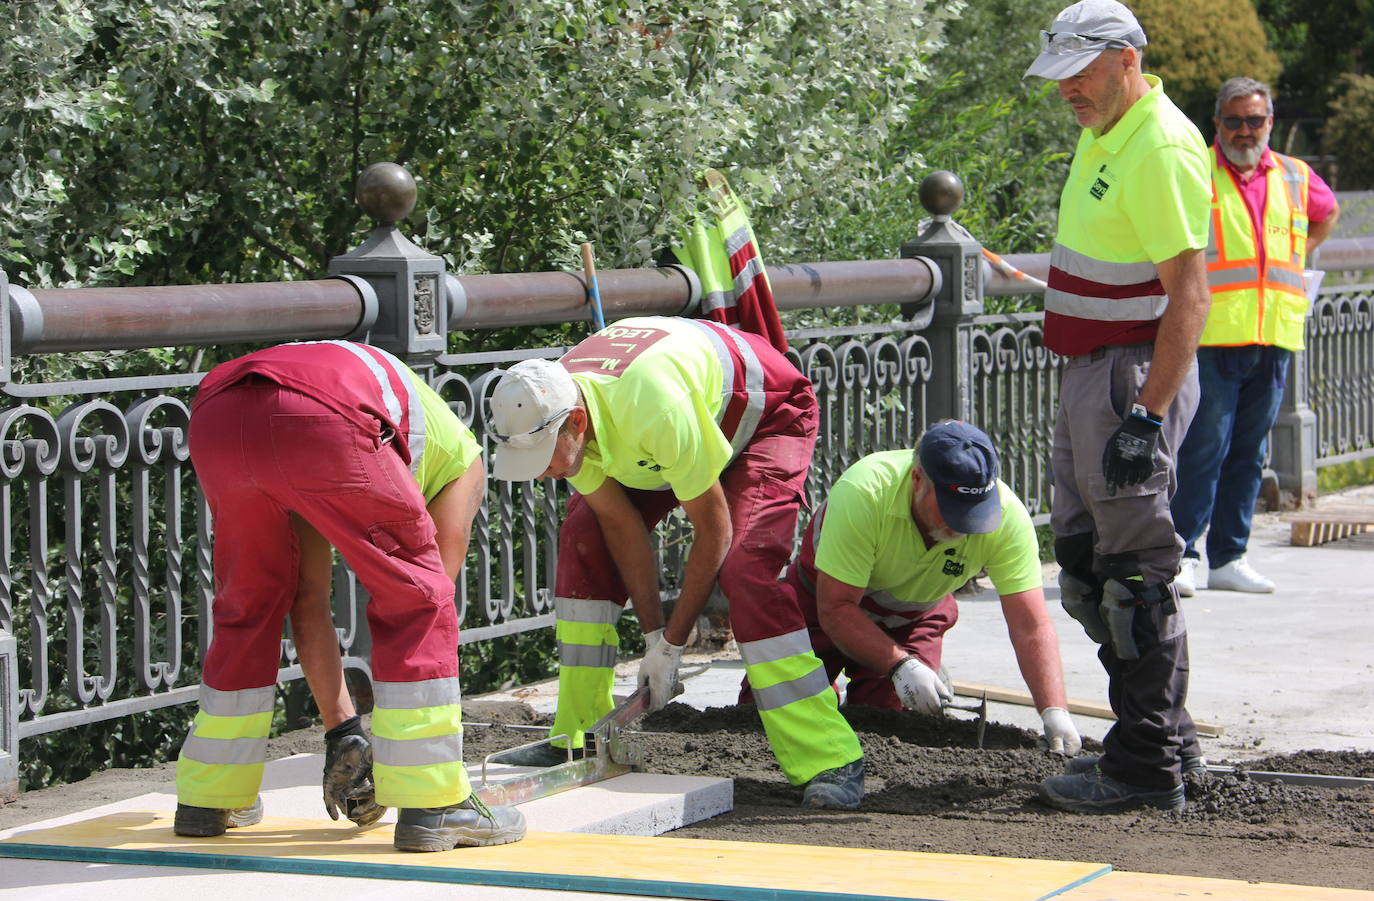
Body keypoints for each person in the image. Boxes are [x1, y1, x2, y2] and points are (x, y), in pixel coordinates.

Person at [487, 315, 864, 807]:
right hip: (678, 421)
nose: (541, 475)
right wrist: (652, 638)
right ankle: (578, 739)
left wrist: (674, 644)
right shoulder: (554, 402)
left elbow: (715, 530)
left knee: (745, 568)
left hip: (764, 417)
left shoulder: (654, 408)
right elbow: (619, 526)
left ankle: (830, 755)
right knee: (585, 540)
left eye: (544, 458)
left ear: (576, 423)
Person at [174, 340, 526, 853]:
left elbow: (307, 601)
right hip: (324, 414)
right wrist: (387, 752)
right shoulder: (462, 464)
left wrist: (345, 733)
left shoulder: (387, 424)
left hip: (220, 411)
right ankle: (435, 806)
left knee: (250, 604)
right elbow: (429, 600)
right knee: (418, 601)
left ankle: (210, 796)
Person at [1024, 0, 1212, 813]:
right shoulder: (1106, 127)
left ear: (1125, 58)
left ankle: (1146, 765)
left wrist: (1146, 415)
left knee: (1135, 577)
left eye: (1078, 72)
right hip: (1092, 374)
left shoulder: (1160, 144)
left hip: (1130, 378)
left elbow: (1191, 295)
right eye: (1059, 75)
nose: (1066, 90)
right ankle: (1164, 735)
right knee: (1084, 565)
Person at [778, 421, 1082, 765]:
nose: (965, 524)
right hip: (819, 603)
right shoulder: (865, 492)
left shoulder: (1008, 519)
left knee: (890, 727)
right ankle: (825, 692)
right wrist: (901, 664)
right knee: (771, 715)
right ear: (917, 480)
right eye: (952, 508)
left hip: (911, 615)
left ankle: (890, 682)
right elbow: (835, 609)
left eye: (975, 512)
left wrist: (1054, 710)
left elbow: (1030, 625)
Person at [1171, 77, 1341, 596]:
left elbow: (1328, 211)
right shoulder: (1195, 169)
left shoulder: (1294, 173)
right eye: (1234, 121)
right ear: (1217, 123)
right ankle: (1184, 553)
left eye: (1255, 120)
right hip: (1212, 332)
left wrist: (1298, 253)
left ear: (1271, 122)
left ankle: (1229, 556)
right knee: (1203, 448)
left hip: (1274, 332)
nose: (1245, 131)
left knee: (1248, 451)